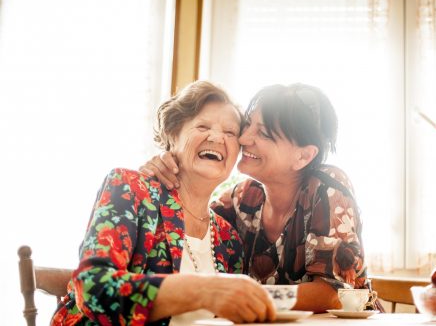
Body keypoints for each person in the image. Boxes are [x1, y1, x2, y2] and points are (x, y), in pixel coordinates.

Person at [52, 81, 275, 325]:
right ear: (172, 135)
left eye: (230, 133)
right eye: (202, 126)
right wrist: (202, 290)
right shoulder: (130, 188)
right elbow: (93, 289)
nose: (216, 137)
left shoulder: (228, 238)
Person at [141, 83, 370, 313]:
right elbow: (194, 217)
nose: (243, 138)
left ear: (303, 156)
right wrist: (167, 165)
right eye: (248, 124)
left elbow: (332, 293)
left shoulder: (327, 187)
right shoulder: (242, 198)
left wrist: (237, 294)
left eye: (263, 133)